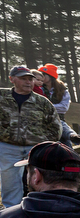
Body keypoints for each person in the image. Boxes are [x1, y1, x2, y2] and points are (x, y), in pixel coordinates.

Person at [0, 66, 61, 208]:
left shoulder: (42, 102)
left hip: (36, 148)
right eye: (23, 79)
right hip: (8, 147)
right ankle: (12, 212)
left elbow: (55, 125)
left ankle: (40, 209)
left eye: (30, 79)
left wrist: (45, 144)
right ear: (12, 79)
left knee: (41, 180)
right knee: (10, 182)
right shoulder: (2, 97)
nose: (28, 82)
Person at [38, 63, 80, 145]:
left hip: (59, 120)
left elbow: (64, 108)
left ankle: (73, 138)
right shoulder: (39, 90)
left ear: (50, 76)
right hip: (42, 121)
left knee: (65, 142)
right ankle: (71, 135)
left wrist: (47, 107)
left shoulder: (62, 90)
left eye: (43, 74)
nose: (41, 77)